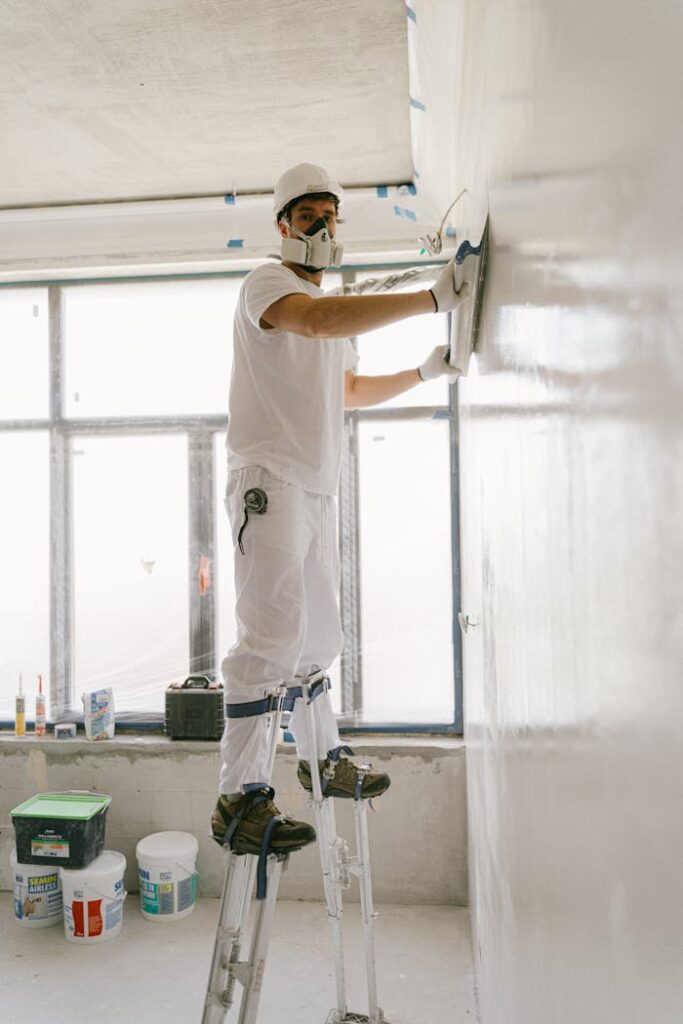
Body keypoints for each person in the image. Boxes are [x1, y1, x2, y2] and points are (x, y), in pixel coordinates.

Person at [212, 162, 469, 857]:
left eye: (330, 214)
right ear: (282, 225)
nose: (323, 226)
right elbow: (318, 322)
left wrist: (425, 371)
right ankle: (239, 800)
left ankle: (321, 759)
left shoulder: (329, 315)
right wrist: (430, 298)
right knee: (267, 641)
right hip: (269, 478)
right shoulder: (268, 283)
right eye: (307, 216)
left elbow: (346, 389)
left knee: (315, 641)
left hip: (315, 487)